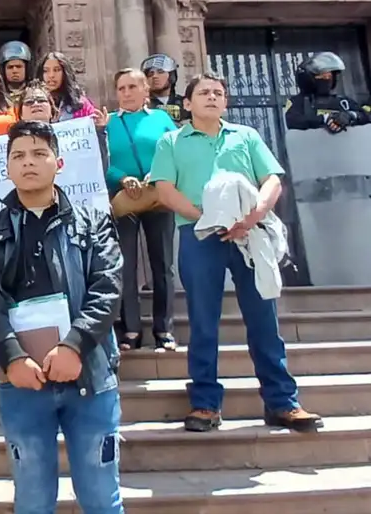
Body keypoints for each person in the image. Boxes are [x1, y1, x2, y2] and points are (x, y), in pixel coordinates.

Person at [149, 72, 323, 433]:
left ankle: (282, 403)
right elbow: (164, 189)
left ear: (226, 102)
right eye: (204, 93)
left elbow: (272, 178)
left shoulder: (247, 136)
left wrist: (255, 213)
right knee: (202, 321)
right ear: (187, 103)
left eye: (218, 93)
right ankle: (205, 404)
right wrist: (208, 218)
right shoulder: (170, 141)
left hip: (250, 234)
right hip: (199, 235)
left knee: (264, 320)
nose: (212, 98)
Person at [0, 121, 124, 514]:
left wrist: (75, 346)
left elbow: (107, 289)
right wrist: (12, 357)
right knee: (33, 498)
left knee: (101, 496)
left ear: (59, 161)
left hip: (87, 373)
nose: (29, 162)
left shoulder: (93, 221)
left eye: (39, 153)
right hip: (21, 379)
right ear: (6, 168)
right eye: (18, 155)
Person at [104, 69, 178, 351]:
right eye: (121, 88)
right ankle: (130, 329)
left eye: (132, 86)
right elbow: (102, 159)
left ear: (145, 90)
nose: (126, 92)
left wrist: (156, 173)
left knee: (163, 265)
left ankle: (164, 329)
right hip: (124, 199)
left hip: (158, 195)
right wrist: (122, 177)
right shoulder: (109, 122)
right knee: (125, 265)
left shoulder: (161, 119)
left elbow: (174, 152)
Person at [284, 52, 369, 134]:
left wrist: (351, 115)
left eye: (330, 76)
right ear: (308, 78)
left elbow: (367, 115)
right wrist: (326, 118)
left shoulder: (343, 102)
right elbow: (293, 120)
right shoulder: (298, 101)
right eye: (323, 76)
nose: (327, 80)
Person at [37, 51, 97, 122]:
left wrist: (100, 127)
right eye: (46, 71)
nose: (51, 75)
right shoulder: (33, 104)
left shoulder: (81, 104)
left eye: (57, 70)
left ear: (65, 73)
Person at [141, 54, 186, 125]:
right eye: (150, 74)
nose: (155, 76)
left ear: (171, 76)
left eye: (160, 72)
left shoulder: (186, 104)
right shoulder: (142, 106)